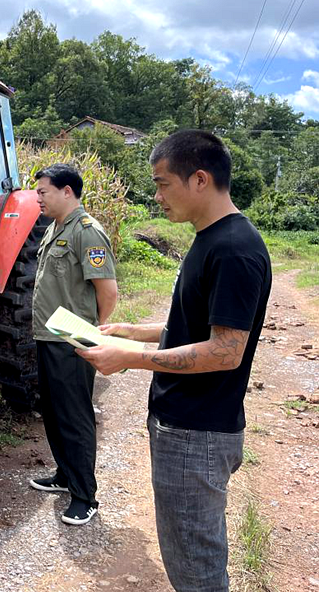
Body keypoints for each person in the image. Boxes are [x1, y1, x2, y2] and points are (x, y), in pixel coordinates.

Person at [78, 130, 271, 591]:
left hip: (197, 434)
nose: (157, 195)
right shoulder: (209, 240)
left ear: (200, 179)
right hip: (185, 427)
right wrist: (131, 331)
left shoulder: (233, 250)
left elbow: (226, 350)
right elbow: (194, 326)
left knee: (196, 570)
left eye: (163, 183)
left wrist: (132, 358)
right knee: (189, 555)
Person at [28, 163, 118, 526]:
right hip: (48, 335)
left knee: (75, 415)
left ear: (67, 192)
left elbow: (107, 292)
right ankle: (65, 475)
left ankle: (85, 495)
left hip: (72, 337)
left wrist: (87, 330)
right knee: (53, 411)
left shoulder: (87, 232)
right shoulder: (55, 230)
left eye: (43, 192)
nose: (38, 199)